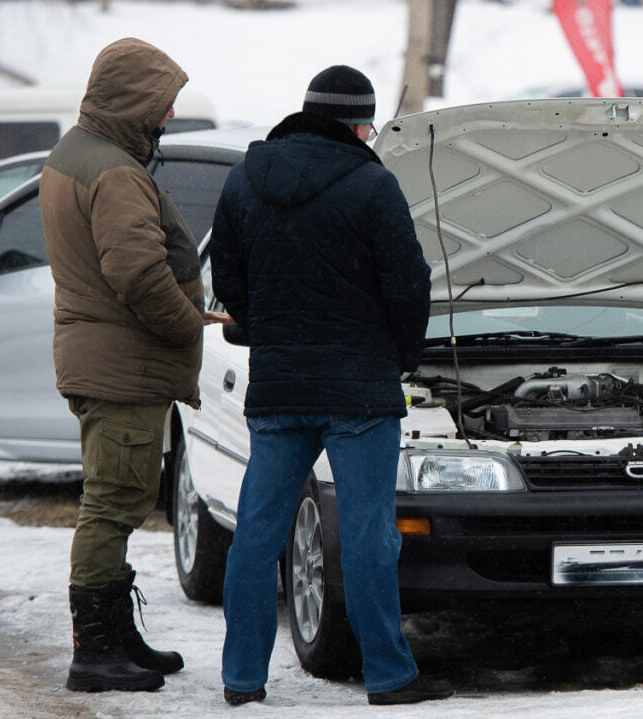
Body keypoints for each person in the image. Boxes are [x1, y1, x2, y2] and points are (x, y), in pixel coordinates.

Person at [210, 65, 448, 707]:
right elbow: (408, 282)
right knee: (370, 536)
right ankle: (391, 678)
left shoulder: (243, 180)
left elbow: (228, 281)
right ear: (358, 124)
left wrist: (266, 328)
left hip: (281, 386)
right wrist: (398, 355)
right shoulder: (373, 185)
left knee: (257, 535)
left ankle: (242, 678)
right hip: (358, 393)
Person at [40, 37, 229, 692]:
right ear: (133, 100)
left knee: (116, 495)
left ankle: (117, 635)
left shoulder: (76, 152)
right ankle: (95, 648)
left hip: (103, 357)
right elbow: (138, 272)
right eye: (162, 104)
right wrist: (187, 322)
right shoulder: (116, 171)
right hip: (122, 363)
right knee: (113, 500)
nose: (168, 118)